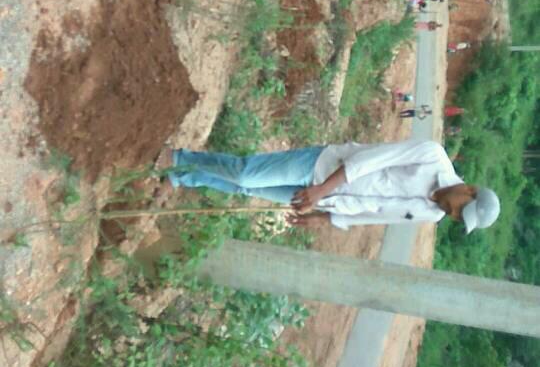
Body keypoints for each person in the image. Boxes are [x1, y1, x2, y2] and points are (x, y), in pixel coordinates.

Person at [155, 141, 500, 234]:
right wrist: (320, 189)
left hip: (326, 200)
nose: (453, 214)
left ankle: (181, 176)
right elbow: (369, 160)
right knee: (246, 175)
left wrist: (323, 216)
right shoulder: (433, 156)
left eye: (459, 219)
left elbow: (376, 215)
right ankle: (178, 157)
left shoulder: (430, 215)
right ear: (469, 189)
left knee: (246, 191)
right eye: (461, 209)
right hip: (322, 166)